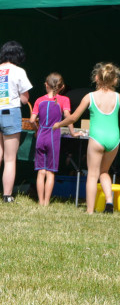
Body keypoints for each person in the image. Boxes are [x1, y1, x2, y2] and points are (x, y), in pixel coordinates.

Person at [55, 62, 120, 214]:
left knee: (92, 174)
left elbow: (73, 118)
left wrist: (58, 124)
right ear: (114, 80)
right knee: (105, 172)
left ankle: (90, 210)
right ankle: (109, 203)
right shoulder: (118, 97)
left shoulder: (90, 97)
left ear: (96, 78)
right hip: (114, 138)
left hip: (97, 138)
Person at [0, 40, 32, 202]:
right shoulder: (18, 71)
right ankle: (7, 195)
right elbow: (25, 99)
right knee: (10, 158)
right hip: (10, 113)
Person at [31, 73, 75, 206]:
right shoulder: (64, 100)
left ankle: (40, 201)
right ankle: (46, 202)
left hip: (41, 137)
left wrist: (36, 130)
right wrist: (72, 133)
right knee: (50, 172)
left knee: (41, 171)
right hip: (53, 138)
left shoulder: (39, 100)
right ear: (61, 87)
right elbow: (69, 117)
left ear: (46, 85)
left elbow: (32, 120)